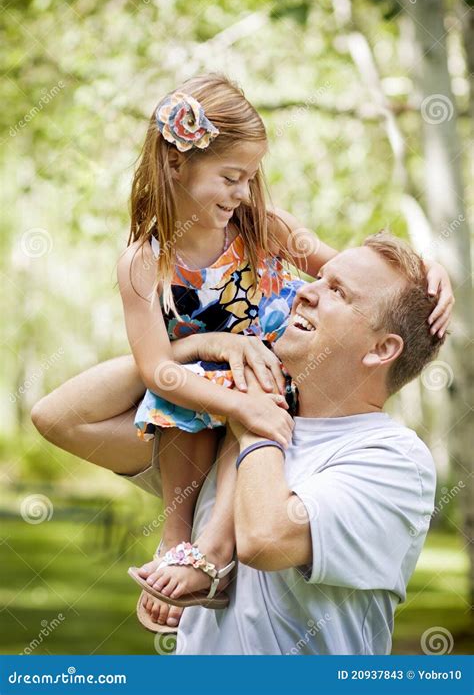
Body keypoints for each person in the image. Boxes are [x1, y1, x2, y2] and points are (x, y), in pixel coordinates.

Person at [30, 74, 453, 634]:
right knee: (198, 400)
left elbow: (348, 275)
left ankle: (211, 551)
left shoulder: (262, 228)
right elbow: (153, 369)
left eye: (250, 179)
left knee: (247, 411)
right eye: (231, 178)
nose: (242, 193)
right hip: (204, 383)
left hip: (273, 372)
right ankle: (178, 539)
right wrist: (205, 354)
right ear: (176, 166)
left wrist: (428, 271)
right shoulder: (143, 261)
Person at [175, 232, 448, 654]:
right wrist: (196, 345)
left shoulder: (395, 460)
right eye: (320, 278)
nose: (304, 290)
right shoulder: (227, 414)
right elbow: (62, 416)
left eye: (337, 290)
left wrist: (254, 424)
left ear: (381, 349)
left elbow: (266, 539)